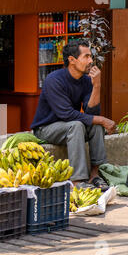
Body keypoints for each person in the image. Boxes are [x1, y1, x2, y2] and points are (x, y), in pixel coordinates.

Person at [30, 39, 116, 190]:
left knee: (95, 126)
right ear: (72, 60)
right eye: (86, 56)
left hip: (69, 127)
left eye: (91, 56)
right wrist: (102, 120)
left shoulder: (86, 80)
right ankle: (78, 180)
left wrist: (97, 85)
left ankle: (95, 175)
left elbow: (91, 112)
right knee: (77, 125)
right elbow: (67, 114)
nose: (91, 60)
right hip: (45, 129)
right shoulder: (54, 80)